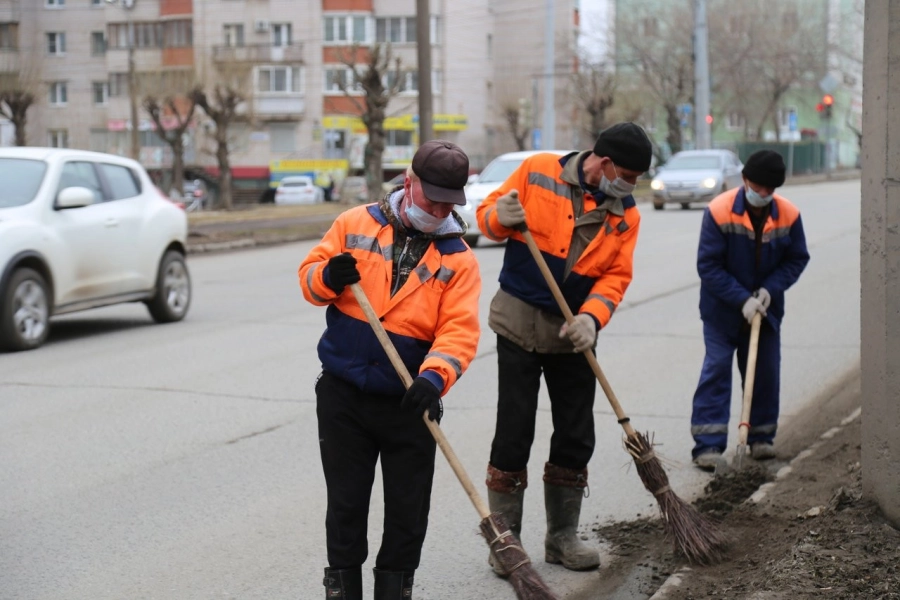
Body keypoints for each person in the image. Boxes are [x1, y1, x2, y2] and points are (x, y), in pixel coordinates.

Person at [299, 140, 481, 600]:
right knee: (345, 505)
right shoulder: (355, 223)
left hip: (409, 403)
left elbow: (458, 332)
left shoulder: (458, 258)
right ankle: (343, 590)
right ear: (409, 180)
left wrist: (433, 378)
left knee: (406, 511)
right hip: (343, 397)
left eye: (449, 201)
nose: (439, 209)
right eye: (432, 196)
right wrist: (326, 278)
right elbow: (309, 277)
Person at [475, 122, 653, 573]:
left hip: (573, 333)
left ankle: (562, 538)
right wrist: (502, 218)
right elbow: (487, 218)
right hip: (517, 322)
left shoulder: (625, 214)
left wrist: (592, 319)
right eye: (627, 175)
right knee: (514, 430)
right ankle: (506, 541)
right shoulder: (538, 171)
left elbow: (616, 276)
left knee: (575, 433)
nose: (629, 186)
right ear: (604, 161)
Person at [690, 150, 810, 471]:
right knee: (716, 370)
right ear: (745, 181)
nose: (763, 194)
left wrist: (770, 290)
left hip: (767, 311)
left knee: (765, 373)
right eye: (758, 187)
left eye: (770, 189)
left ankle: (760, 438)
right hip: (722, 311)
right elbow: (709, 266)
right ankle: (708, 445)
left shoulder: (788, 214)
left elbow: (797, 259)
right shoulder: (718, 211)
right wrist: (741, 299)